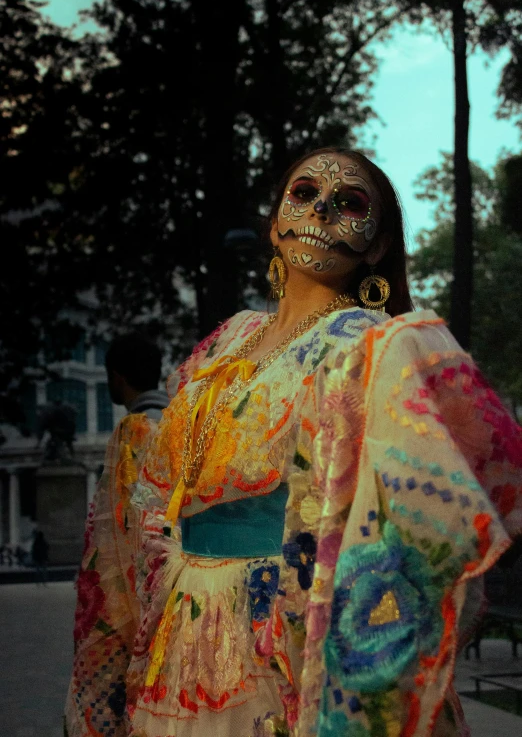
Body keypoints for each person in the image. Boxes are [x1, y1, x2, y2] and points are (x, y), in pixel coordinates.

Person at [83, 148, 520, 737]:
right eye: (304, 193)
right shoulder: (225, 343)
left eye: (350, 203)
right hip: (179, 637)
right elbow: (155, 492)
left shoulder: (372, 348)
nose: (321, 210)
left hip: (282, 641)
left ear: (379, 245)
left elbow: (410, 521)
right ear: (274, 221)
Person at [65, 332, 169, 737]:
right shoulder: (177, 420)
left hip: (135, 585)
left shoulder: (132, 430)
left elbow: (116, 527)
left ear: (116, 377)